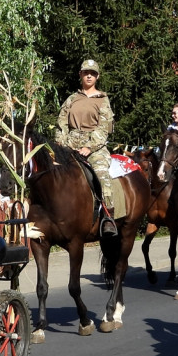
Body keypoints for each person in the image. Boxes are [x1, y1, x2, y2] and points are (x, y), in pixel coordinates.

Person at [56, 58, 117, 234]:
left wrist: (89, 147)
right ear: (80, 75)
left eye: (92, 73)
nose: (89, 76)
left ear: (97, 77)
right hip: (69, 145)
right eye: (86, 73)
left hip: (94, 147)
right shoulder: (72, 99)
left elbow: (103, 128)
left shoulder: (103, 100)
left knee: (102, 175)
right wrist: (62, 144)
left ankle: (108, 217)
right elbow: (62, 124)